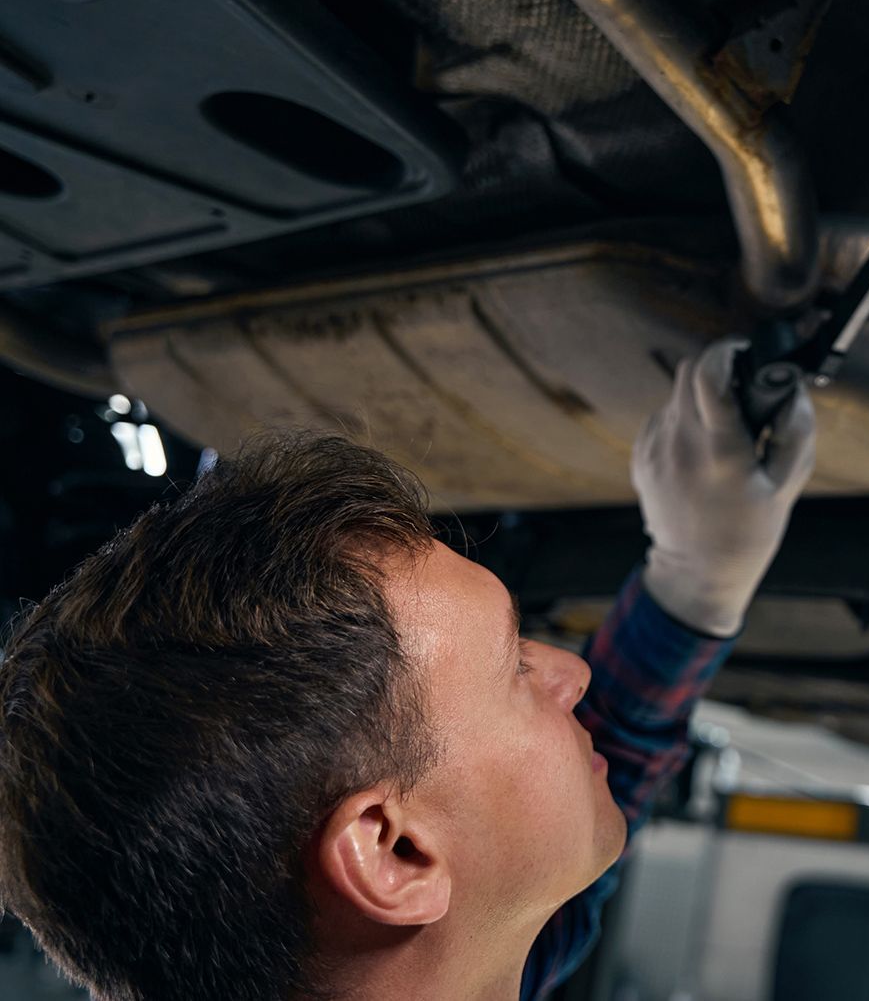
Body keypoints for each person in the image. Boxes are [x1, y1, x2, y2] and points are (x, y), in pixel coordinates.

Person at [0, 338, 813, 1001]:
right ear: (395, 855)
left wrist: (693, 584)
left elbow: (527, 841)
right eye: (516, 669)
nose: (573, 673)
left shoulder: (416, 961)